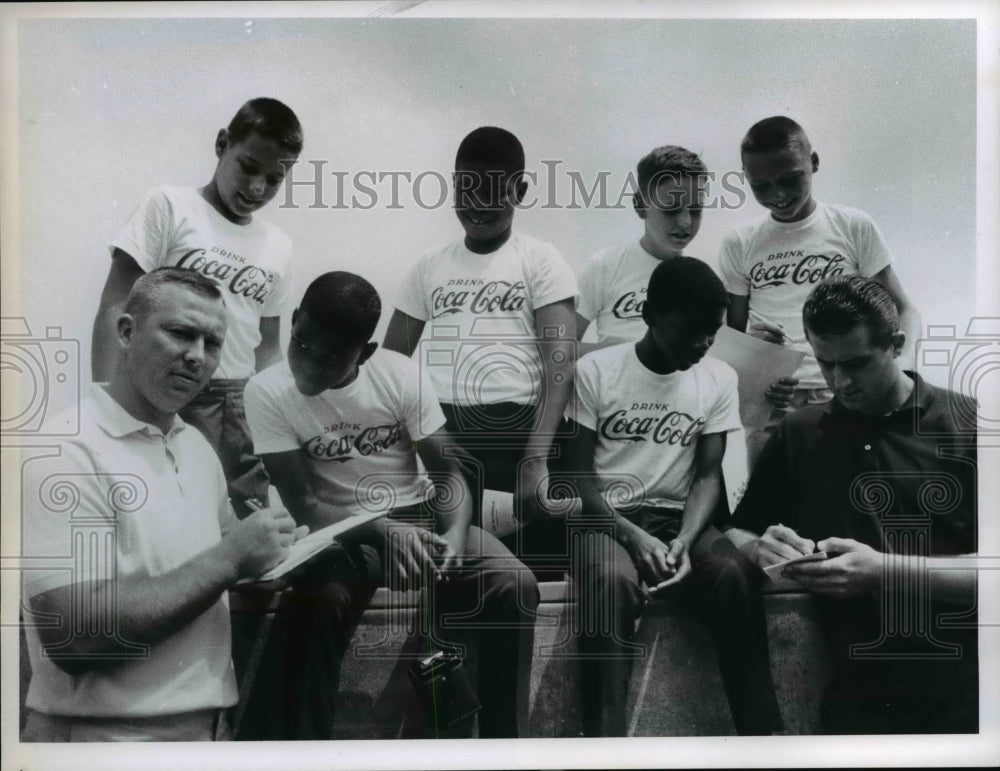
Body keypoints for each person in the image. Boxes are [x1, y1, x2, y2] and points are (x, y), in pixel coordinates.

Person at [243, 271, 539, 739]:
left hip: (415, 517)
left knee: (513, 582)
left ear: (366, 352)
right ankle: (306, 751)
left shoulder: (399, 374)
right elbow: (305, 504)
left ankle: (504, 742)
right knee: (322, 601)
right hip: (338, 531)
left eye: (334, 356)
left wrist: (455, 540)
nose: (311, 366)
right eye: (302, 344)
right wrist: (381, 531)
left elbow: (447, 476)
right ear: (294, 322)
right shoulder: (266, 391)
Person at [21, 268, 305, 742]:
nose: (196, 356)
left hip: (207, 732)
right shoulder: (66, 449)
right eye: (180, 333)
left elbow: (210, 578)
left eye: (212, 344)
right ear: (127, 331)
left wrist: (272, 555)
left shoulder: (195, 448)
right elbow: (74, 635)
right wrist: (232, 557)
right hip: (104, 741)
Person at [726, 275, 978, 734]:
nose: (840, 382)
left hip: (971, 700)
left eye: (857, 363)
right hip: (853, 706)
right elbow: (737, 530)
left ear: (896, 344)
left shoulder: (969, 427)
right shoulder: (799, 434)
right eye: (825, 364)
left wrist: (880, 569)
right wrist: (757, 548)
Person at [557, 257, 784, 736]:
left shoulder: (718, 377)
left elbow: (706, 476)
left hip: (678, 520)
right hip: (605, 520)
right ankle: (604, 746)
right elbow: (578, 478)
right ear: (649, 314)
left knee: (732, 574)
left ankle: (764, 740)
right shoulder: (596, 370)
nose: (702, 345)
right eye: (690, 331)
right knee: (611, 583)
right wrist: (632, 537)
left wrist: (684, 539)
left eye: (712, 333)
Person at [91, 97, 303, 517]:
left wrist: (283, 417)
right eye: (248, 167)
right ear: (223, 143)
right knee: (162, 516)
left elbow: (267, 348)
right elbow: (116, 305)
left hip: (239, 405)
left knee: (249, 525)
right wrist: (105, 404)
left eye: (274, 179)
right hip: (166, 388)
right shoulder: (170, 206)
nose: (257, 188)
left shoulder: (278, 246)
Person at [382, 126, 577, 524]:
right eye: (465, 191)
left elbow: (561, 366)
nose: (477, 206)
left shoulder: (541, 259)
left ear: (519, 191)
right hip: (444, 434)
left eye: (492, 194)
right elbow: (391, 362)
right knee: (446, 563)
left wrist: (535, 460)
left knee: (527, 563)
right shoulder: (428, 266)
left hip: (518, 433)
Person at [718, 115, 921, 468]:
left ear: (813, 162)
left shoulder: (852, 226)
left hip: (847, 393)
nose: (778, 195)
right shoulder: (740, 243)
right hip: (774, 402)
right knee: (772, 514)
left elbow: (904, 309)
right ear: (745, 177)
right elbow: (731, 335)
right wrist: (750, 350)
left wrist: (900, 367)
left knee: (850, 507)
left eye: (789, 178)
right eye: (761, 186)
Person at [576, 145, 707, 353]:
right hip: (613, 385)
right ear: (640, 206)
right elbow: (558, 350)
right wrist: (629, 354)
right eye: (671, 208)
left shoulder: (704, 279)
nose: (685, 221)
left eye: (695, 209)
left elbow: (713, 358)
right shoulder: (605, 266)